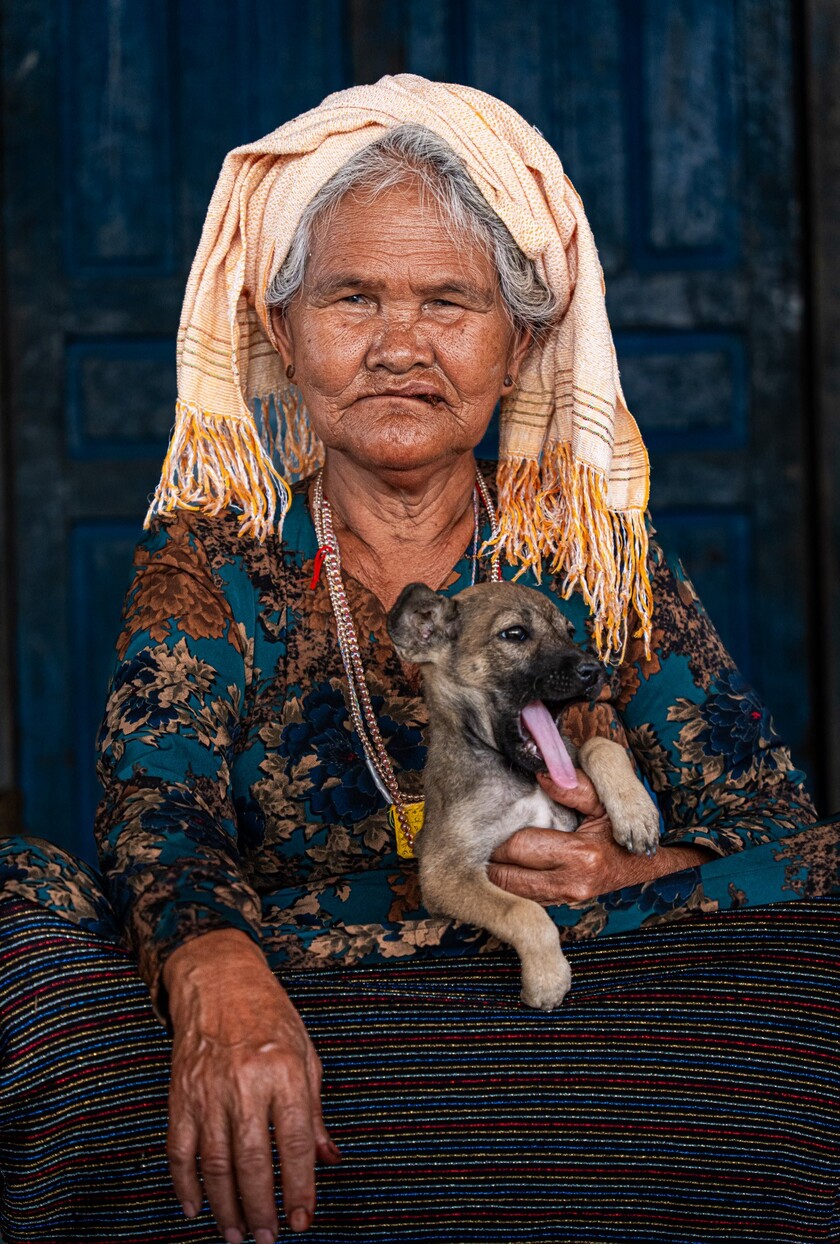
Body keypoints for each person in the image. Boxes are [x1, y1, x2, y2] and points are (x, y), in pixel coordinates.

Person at [1, 75, 838, 1244]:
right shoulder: (222, 559)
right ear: (284, 335)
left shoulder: (586, 557)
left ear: (520, 343)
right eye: (352, 298)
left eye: (449, 301)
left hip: (580, 981)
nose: (400, 346)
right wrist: (217, 971)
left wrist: (624, 871)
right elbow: (158, 812)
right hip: (314, 988)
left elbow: (772, 820)